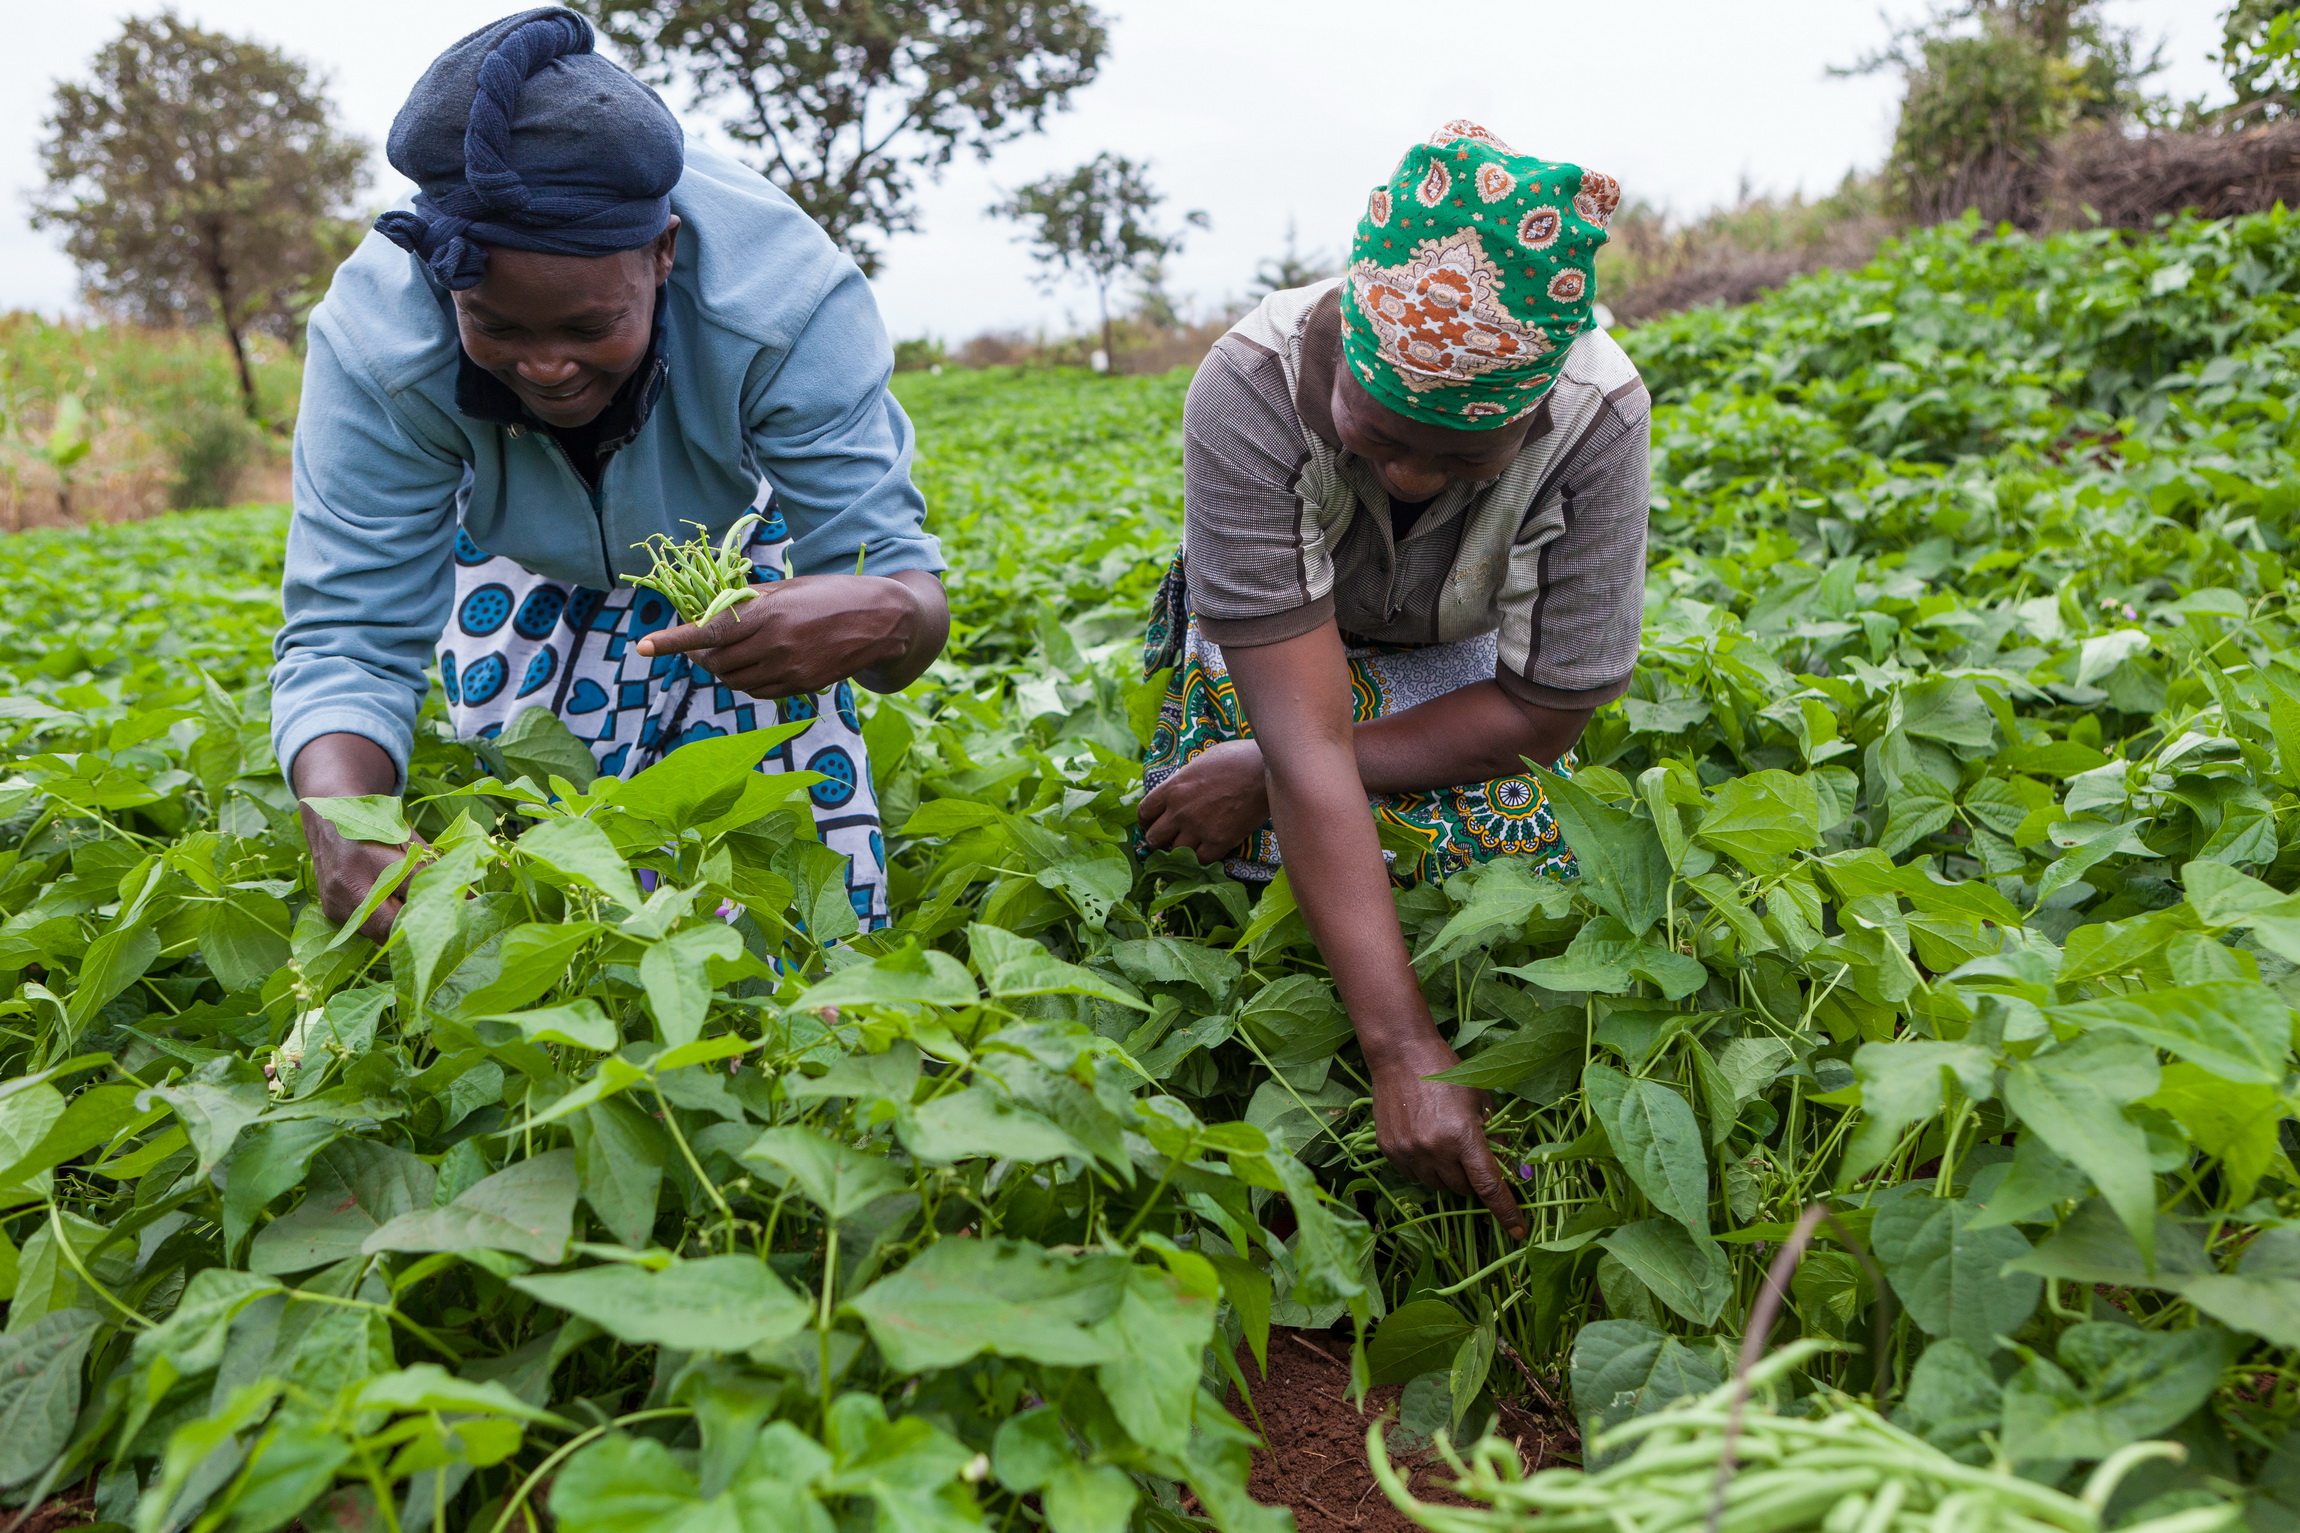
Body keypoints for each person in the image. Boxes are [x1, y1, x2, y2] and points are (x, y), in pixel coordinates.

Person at [273, 7, 947, 941]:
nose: (548, 367)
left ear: (664, 252)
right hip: (512, 550)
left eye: (591, 328)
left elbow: (899, 583)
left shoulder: (784, 301)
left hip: (724, 550)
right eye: (496, 327)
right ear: (442, 279)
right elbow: (349, 635)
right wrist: (341, 821)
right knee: (542, 863)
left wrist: (880, 614)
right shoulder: (377, 343)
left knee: (776, 897)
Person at [1137, 123, 1650, 1240]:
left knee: (1499, 864)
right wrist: (1401, 1050)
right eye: (1373, 438)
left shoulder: (1597, 415)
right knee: (1233, 875)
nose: (1409, 477)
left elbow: (1543, 707)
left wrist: (1265, 769)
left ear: (1530, 409)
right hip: (1274, 648)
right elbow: (1304, 736)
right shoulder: (1249, 385)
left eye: (1461, 461)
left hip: (1455, 663)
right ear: (1345, 355)